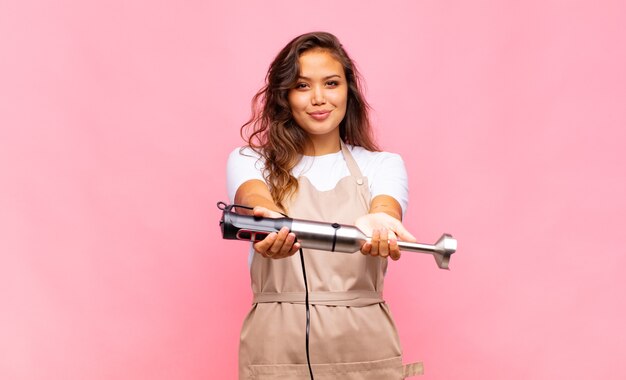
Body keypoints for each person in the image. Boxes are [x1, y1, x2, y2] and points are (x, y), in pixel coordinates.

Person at [227, 31, 423, 379]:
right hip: (275, 346)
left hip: (364, 342)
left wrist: (382, 220)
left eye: (331, 83)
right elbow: (253, 197)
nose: (319, 98)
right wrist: (266, 219)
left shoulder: (382, 164)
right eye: (302, 86)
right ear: (284, 96)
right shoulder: (249, 160)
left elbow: (386, 206)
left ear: (348, 90)